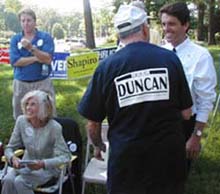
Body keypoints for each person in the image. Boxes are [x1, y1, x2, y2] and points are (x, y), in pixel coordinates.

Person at [78, 4, 192, 194]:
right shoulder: (170, 59)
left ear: (119, 35)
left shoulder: (106, 67)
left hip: (127, 161)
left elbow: (92, 123)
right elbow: (186, 113)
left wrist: (98, 145)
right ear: (145, 29)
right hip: (168, 159)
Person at [159, 2, 217, 169]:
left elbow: (205, 100)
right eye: (163, 24)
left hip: (184, 124)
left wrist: (196, 136)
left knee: (178, 171)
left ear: (185, 25)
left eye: (171, 24)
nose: (166, 28)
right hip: (159, 121)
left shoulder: (201, 57)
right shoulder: (159, 52)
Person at [1, 90, 71, 194]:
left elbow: (66, 156)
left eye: (33, 104)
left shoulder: (54, 127)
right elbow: (9, 148)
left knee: (20, 182)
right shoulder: (21, 121)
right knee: (7, 180)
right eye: (27, 104)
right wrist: (12, 158)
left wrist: (43, 163)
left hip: (47, 170)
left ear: (43, 108)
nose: (28, 108)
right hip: (25, 166)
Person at [10, 8, 56, 120]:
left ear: (35, 22)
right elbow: (15, 61)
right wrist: (37, 58)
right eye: (23, 20)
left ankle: (48, 137)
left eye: (29, 20)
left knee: (47, 115)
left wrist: (31, 48)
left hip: (42, 82)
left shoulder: (45, 37)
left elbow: (48, 59)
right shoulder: (15, 39)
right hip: (21, 83)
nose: (26, 23)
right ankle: (23, 136)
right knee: (21, 116)